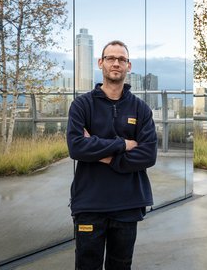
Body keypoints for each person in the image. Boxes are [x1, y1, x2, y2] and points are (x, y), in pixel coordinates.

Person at [66, 40, 158, 270]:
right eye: (110, 58)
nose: (116, 63)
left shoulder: (141, 109)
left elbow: (148, 155)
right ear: (101, 63)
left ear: (128, 65)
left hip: (127, 204)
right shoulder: (81, 106)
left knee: (121, 266)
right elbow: (76, 147)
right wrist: (123, 144)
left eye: (121, 59)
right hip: (89, 205)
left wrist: (102, 154)